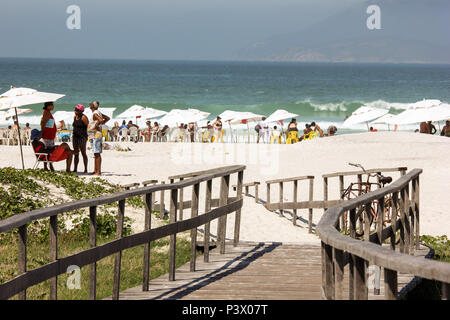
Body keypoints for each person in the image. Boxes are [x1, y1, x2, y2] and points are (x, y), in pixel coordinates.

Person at [88, 101, 109, 176]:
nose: (89, 105)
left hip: (95, 134)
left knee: (97, 153)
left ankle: (98, 171)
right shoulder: (98, 112)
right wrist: (101, 124)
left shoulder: (95, 113)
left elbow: (100, 120)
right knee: (95, 153)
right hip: (94, 134)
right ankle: (95, 170)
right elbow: (107, 118)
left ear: (92, 106)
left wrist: (97, 125)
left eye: (90, 104)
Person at [72, 104, 89, 173]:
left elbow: (88, 126)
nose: (75, 111)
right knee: (76, 153)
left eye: (77, 110)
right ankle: (75, 169)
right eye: (75, 109)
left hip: (82, 137)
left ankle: (85, 169)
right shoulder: (74, 117)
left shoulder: (84, 117)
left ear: (81, 111)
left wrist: (88, 136)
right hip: (75, 137)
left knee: (83, 153)